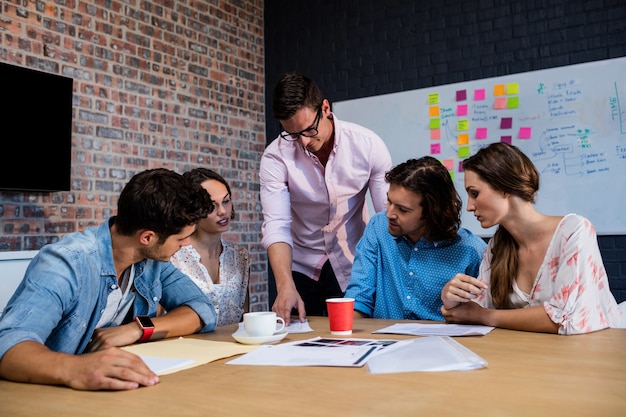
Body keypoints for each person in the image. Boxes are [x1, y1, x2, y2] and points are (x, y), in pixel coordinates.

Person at [0, 168, 218, 391]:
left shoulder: (152, 261)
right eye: (181, 238)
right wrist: (77, 368)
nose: (187, 244)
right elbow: (8, 345)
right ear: (147, 237)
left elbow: (202, 310)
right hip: (49, 397)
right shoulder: (66, 263)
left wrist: (138, 329)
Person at [441, 142, 622, 334]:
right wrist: (450, 298)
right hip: (536, 354)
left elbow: (567, 320)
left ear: (504, 187)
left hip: (597, 349)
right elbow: (474, 310)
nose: (469, 206)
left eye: (475, 193)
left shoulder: (574, 232)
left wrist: (485, 316)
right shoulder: (498, 245)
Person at [260, 72, 393, 324]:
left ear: (325, 108)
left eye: (309, 129)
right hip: (300, 266)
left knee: (353, 341)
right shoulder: (275, 157)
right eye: (292, 134)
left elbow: (387, 216)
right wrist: (285, 285)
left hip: (353, 263)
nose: (304, 141)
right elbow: (276, 224)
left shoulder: (368, 146)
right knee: (297, 344)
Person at [344, 157, 487, 320]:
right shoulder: (378, 228)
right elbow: (359, 298)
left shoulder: (472, 252)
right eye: (389, 202)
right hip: (384, 341)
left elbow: (480, 316)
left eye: (403, 210)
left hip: (441, 343)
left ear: (432, 212)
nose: (389, 214)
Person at [171, 168, 250, 326]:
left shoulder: (240, 256)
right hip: (186, 348)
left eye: (226, 201)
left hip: (234, 347)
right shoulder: (173, 256)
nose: (222, 211)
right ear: (192, 209)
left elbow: (245, 320)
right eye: (211, 206)